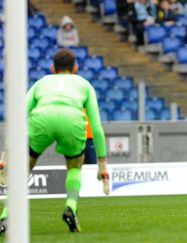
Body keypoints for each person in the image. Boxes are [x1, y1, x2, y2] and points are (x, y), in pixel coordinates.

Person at [0, 49, 110, 233]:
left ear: (53, 68)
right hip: (72, 120)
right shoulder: (85, 84)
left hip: (42, 118)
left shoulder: (41, 82)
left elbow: (19, 115)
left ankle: (5, 215)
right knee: (74, 166)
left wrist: (5, 155)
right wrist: (102, 164)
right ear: (76, 68)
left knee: (25, 167)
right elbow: (97, 127)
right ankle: (71, 207)